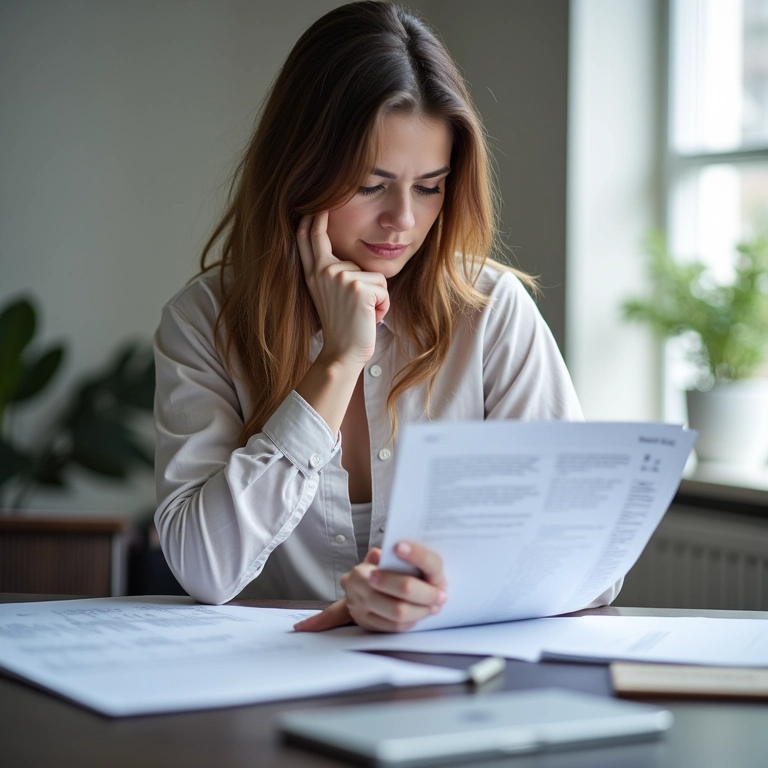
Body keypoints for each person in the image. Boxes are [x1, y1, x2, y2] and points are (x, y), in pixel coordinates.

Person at [153, 0, 621, 633]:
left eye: (429, 186)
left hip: (457, 679)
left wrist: (430, 599)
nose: (403, 220)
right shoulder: (204, 321)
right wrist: (338, 361)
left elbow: (590, 565)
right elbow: (203, 568)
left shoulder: (491, 312)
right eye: (371, 185)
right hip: (266, 685)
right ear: (300, 172)